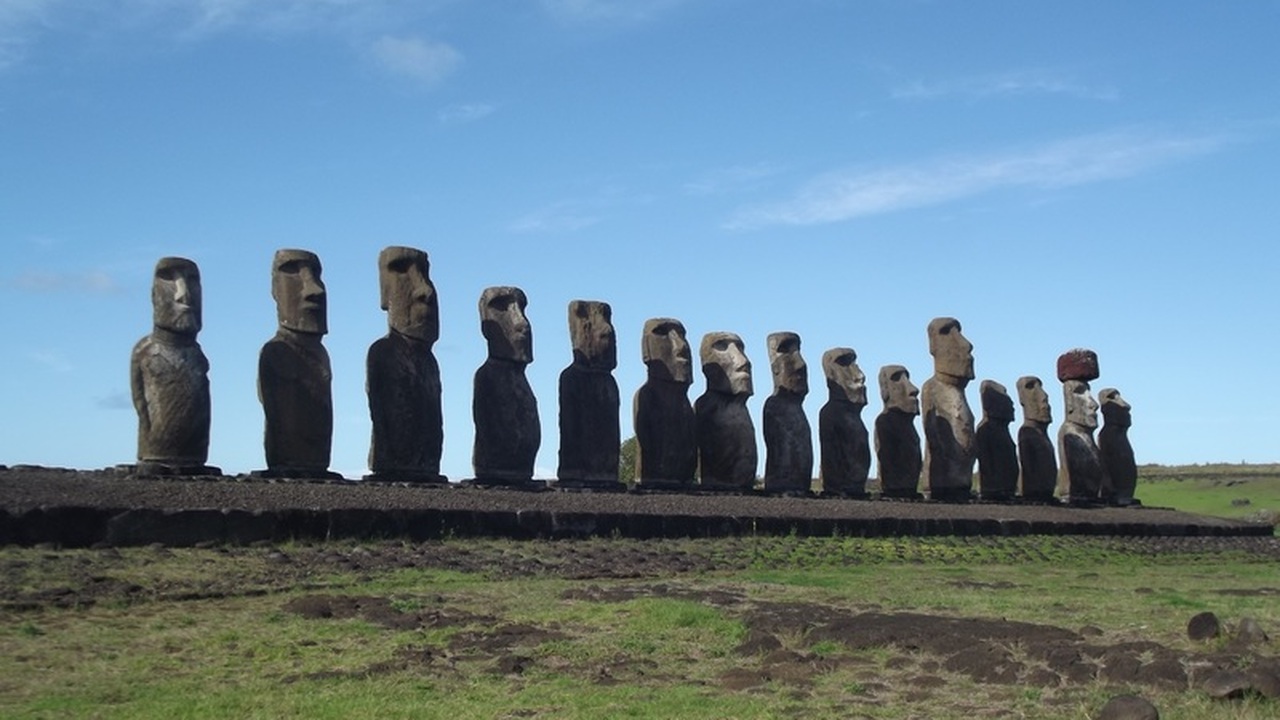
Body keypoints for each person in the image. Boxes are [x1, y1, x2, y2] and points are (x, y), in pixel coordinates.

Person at [130, 256, 218, 476]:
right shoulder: (146, 351)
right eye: (169, 279)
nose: (184, 294)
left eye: (192, 281)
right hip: (156, 452)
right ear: (153, 295)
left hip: (195, 454)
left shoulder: (197, 355)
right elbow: (141, 403)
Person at [257, 249, 339, 479]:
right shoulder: (276, 352)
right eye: (292, 272)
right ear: (275, 289)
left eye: (316, 275)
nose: (316, 290)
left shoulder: (321, 355)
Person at [366, 246, 444, 482]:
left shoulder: (430, 363)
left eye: (425, 273)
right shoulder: (383, 354)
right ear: (384, 289)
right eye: (400, 270)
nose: (426, 290)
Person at [632, 318, 697, 488]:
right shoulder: (646, 396)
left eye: (682, 335)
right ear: (646, 348)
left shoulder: (686, 404)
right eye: (662, 333)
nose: (681, 345)